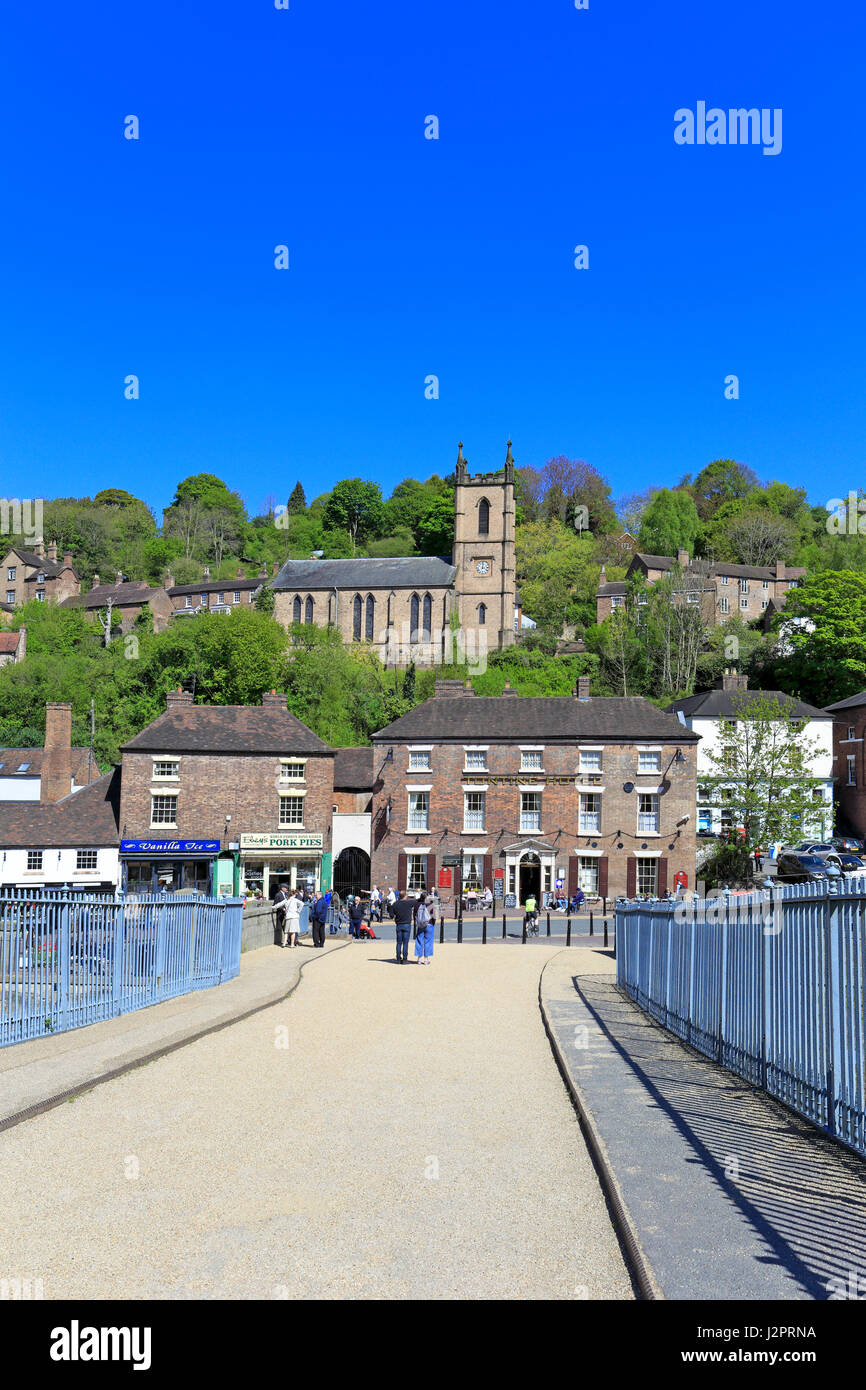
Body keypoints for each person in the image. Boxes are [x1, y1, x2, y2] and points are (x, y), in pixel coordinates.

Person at [392, 890, 415, 963]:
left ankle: (398, 958)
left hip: (399, 924)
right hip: (407, 924)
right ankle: (405, 959)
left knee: (399, 943)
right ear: (405, 896)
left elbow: (391, 914)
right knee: (405, 943)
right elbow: (418, 900)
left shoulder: (395, 904)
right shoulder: (409, 903)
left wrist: (393, 917)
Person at [413, 891, 434, 965]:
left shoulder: (417, 905)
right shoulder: (430, 904)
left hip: (420, 925)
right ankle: (426, 959)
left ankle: (418, 959)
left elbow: (414, 915)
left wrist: (417, 923)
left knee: (419, 940)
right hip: (429, 924)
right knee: (428, 941)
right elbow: (435, 916)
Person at [274, 881, 289, 947]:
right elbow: (275, 904)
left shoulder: (285, 894)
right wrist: (282, 908)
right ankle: (286, 941)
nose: (286, 889)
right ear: (282, 888)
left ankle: (287, 940)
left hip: (285, 914)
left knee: (286, 928)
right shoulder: (278, 895)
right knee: (284, 928)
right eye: (285, 888)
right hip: (280, 914)